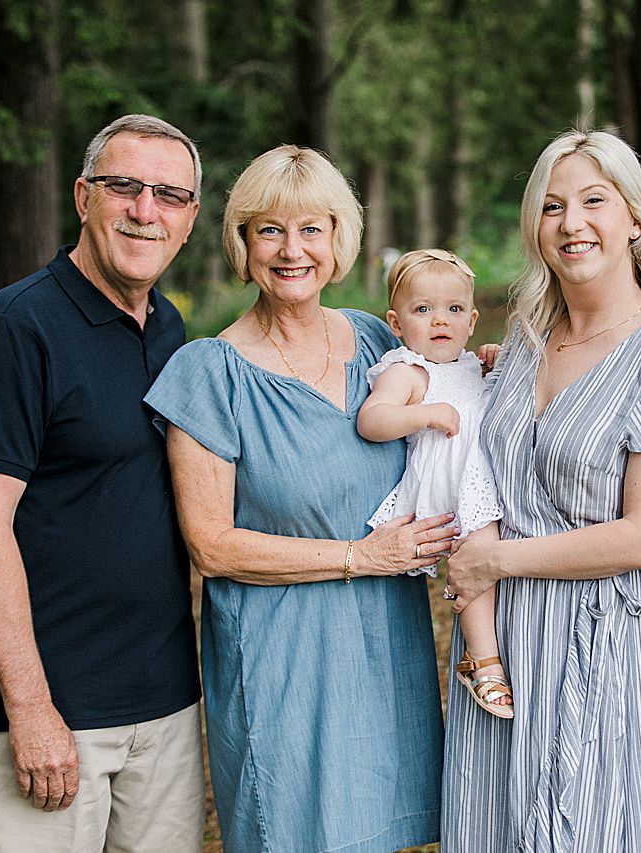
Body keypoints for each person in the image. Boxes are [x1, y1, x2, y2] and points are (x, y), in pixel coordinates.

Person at [143, 144, 451, 853]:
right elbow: (211, 545)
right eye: (270, 230)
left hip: (384, 644)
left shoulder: (380, 340)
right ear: (243, 243)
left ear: (338, 239)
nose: (292, 250)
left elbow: (455, 398)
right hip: (282, 656)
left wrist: (480, 365)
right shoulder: (209, 372)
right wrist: (358, 554)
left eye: (312, 228)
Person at [0, 114, 205, 851]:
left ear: (190, 220)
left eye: (169, 195)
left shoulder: (170, 329)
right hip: (46, 714)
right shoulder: (16, 327)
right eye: (125, 187)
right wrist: (29, 707)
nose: (145, 211)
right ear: (84, 197)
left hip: (163, 706)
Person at [441, 129, 641, 852]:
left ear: (634, 219)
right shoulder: (525, 334)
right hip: (500, 637)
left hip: (604, 630)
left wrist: (491, 563)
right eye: (553, 205)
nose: (572, 222)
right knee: (492, 826)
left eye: (594, 200)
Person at [357, 248, 511, 719]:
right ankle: (483, 661)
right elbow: (372, 419)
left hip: (486, 478)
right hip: (450, 485)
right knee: (479, 555)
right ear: (396, 322)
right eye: (423, 310)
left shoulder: (471, 365)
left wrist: (497, 362)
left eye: (454, 310)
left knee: (498, 565)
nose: (439, 320)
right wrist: (421, 413)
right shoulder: (407, 370)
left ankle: (495, 650)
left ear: (471, 320)